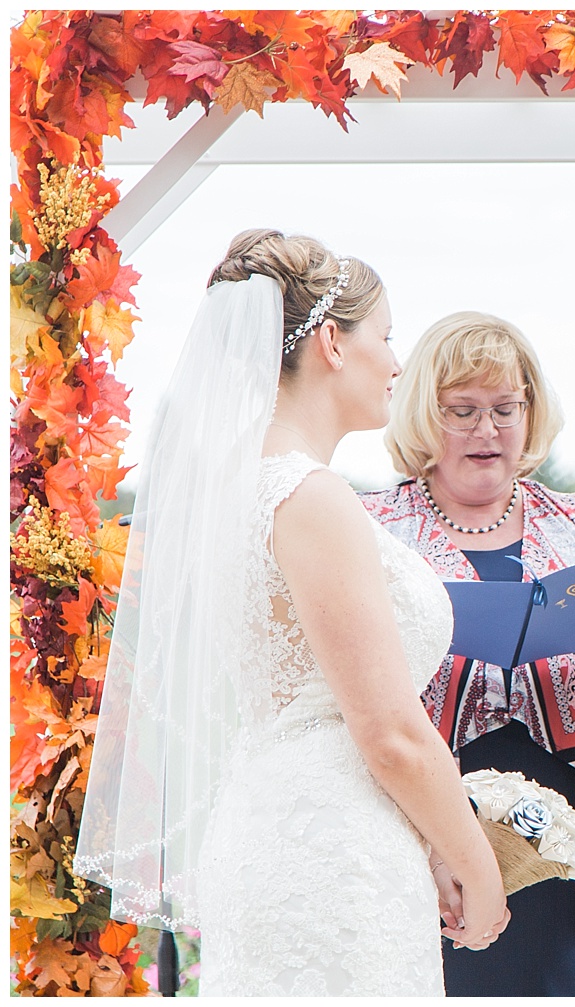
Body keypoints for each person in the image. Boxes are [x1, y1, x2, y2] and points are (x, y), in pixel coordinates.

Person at [76, 230, 507, 996]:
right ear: (333, 344)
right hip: (330, 848)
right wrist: (476, 861)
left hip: (279, 821)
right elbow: (391, 733)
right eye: (387, 334)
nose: (399, 361)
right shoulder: (309, 496)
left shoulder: (234, 490)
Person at [361, 311, 575, 997]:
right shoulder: (373, 533)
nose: (488, 430)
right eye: (464, 410)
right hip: (423, 856)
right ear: (424, 412)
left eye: (506, 408)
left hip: (571, 866)